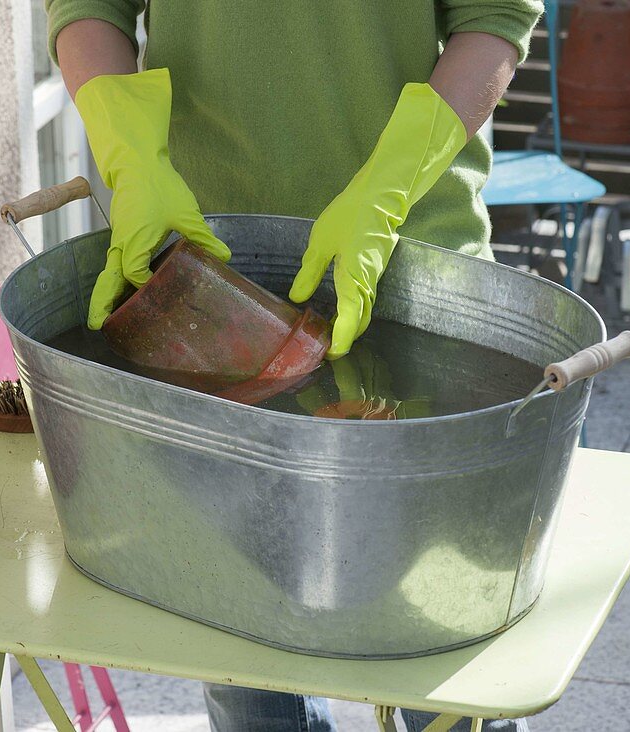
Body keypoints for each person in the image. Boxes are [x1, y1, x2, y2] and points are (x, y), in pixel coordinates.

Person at [45, 2, 542, 730]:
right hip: (210, 274)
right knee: (247, 661)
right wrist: (132, 159)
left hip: (407, 267)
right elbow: (90, 8)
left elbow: (493, 17)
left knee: (449, 661)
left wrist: (389, 184)